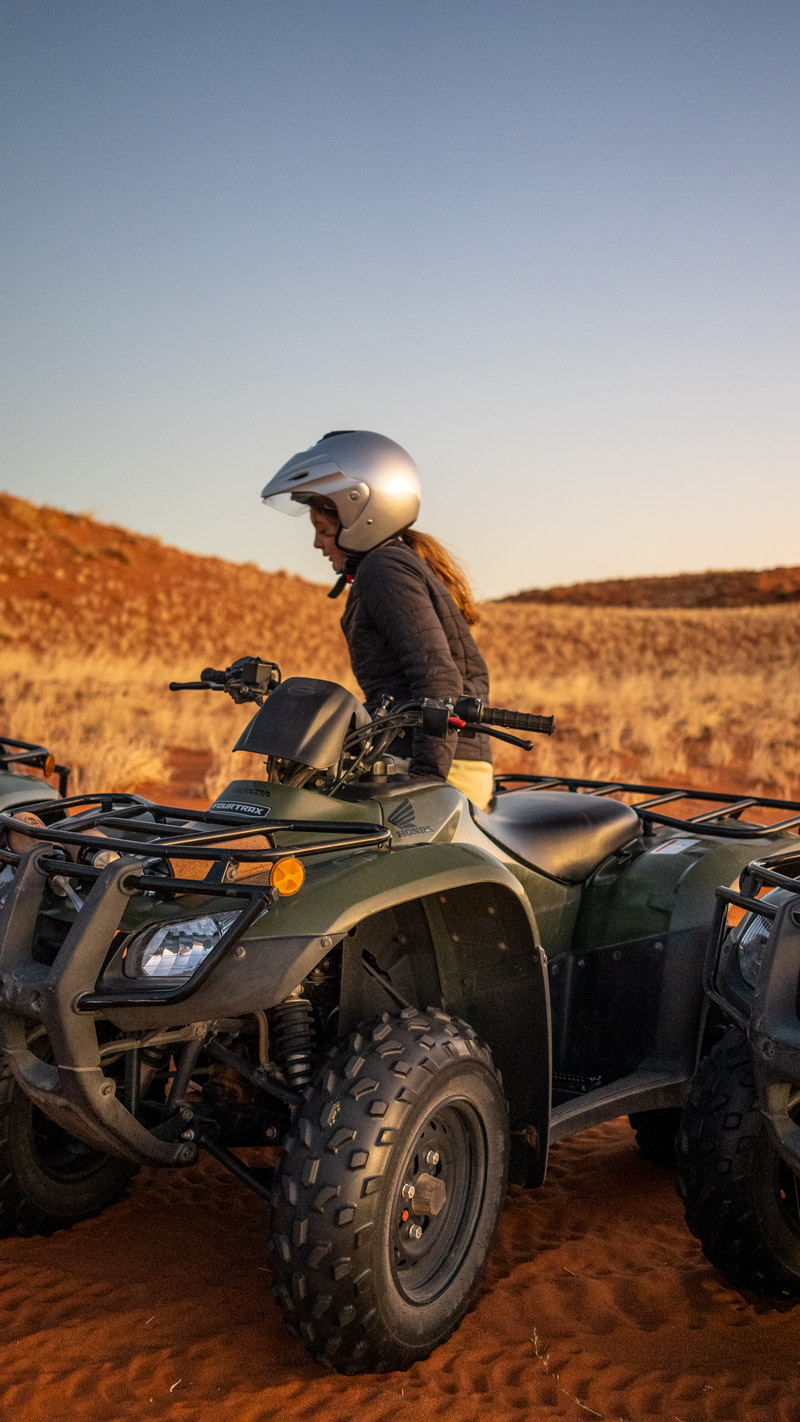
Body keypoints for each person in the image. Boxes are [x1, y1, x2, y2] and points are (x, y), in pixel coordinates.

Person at [261, 430, 494, 808]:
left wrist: (427, 781)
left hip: (446, 768)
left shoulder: (385, 569)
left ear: (361, 515)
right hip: (425, 757)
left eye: (323, 530)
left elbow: (438, 678)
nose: (318, 544)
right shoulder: (388, 565)